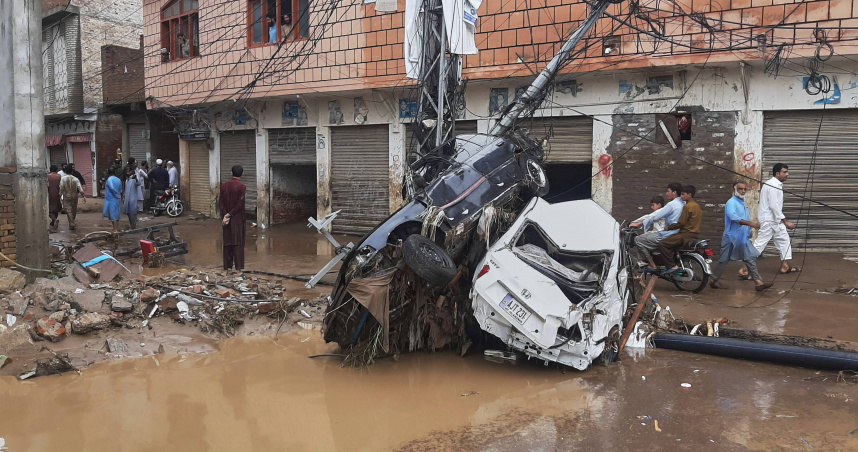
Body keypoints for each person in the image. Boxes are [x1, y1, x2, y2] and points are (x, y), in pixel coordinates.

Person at [709, 181, 773, 292]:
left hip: (742, 238)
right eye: (740, 189)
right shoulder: (731, 203)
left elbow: (743, 218)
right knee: (724, 260)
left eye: (744, 189)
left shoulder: (742, 203)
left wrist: (748, 232)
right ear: (734, 190)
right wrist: (750, 224)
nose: (743, 191)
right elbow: (733, 217)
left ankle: (758, 282)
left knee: (749, 259)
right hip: (731, 238)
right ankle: (714, 280)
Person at [753, 163, 799, 274]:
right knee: (759, 245)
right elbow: (774, 205)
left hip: (775, 221)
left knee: (784, 240)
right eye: (784, 172)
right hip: (769, 221)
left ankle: (785, 266)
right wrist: (785, 221)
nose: (787, 174)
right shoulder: (773, 185)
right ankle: (744, 270)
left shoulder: (775, 184)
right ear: (777, 173)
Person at [629, 183, 685, 269]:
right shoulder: (683, 203)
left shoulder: (672, 204)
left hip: (668, 234)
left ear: (674, 192)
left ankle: (652, 264)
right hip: (677, 233)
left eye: (668, 191)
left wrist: (638, 223)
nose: (667, 193)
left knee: (638, 239)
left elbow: (655, 216)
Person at [659, 185, 702, 273]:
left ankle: (672, 265)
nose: (681, 196)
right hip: (694, 234)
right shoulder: (697, 206)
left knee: (662, 244)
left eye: (683, 194)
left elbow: (681, 223)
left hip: (685, 234)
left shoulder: (687, 206)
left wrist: (669, 227)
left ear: (689, 195)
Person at [220, 165, 247, 271]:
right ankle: (238, 268)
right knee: (238, 243)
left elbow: (220, 202)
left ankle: (227, 268)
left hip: (226, 220)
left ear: (231, 173)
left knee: (227, 243)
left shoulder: (224, 186)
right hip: (237, 219)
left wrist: (225, 215)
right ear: (242, 174)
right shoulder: (242, 187)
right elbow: (240, 204)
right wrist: (230, 214)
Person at [103, 168, 123, 236]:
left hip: (111, 199)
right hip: (117, 199)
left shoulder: (109, 179)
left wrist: (116, 194)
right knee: (116, 214)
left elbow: (112, 188)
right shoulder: (118, 179)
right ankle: (115, 228)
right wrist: (119, 195)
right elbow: (120, 189)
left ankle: (115, 229)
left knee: (113, 215)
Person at [48, 165, 62, 231]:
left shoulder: (48, 176)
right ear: (56, 170)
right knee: (56, 208)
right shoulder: (59, 176)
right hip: (57, 194)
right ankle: (54, 221)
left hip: (49, 194)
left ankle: (54, 219)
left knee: (49, 209)